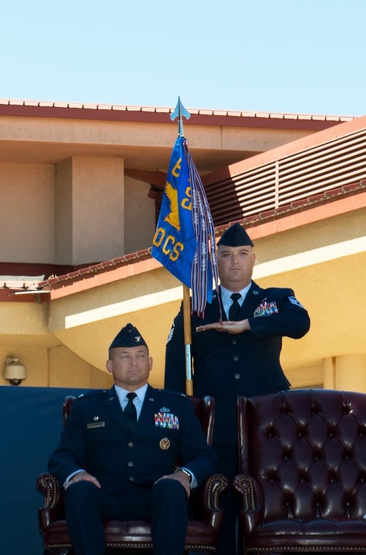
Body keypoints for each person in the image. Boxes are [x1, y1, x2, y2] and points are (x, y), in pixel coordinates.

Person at [163, 221, 310, 553]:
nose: (234, 262)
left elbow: (301, 323)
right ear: (216, 261)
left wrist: (249, 325)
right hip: (217, 429)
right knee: (221, 509)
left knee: (268, 510)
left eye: (242, 254)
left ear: (254, 259)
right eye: (226, 255)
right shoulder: (196, 307)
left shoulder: (276, 299)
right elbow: (176, 369)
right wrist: (180, 424)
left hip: (270, 428)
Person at [48, 323, 217, 555]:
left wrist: (184, 475)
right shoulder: (86, 407)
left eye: (141, 356)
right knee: (79, 492)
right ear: (109, 365)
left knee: (171, 489)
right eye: (125, 356)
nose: (134, 362)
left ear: (150, 363)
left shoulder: (176, 406)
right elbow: (62, 456)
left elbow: (204, 456)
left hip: (155, 495)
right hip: (105, 495)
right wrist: (77, 475)